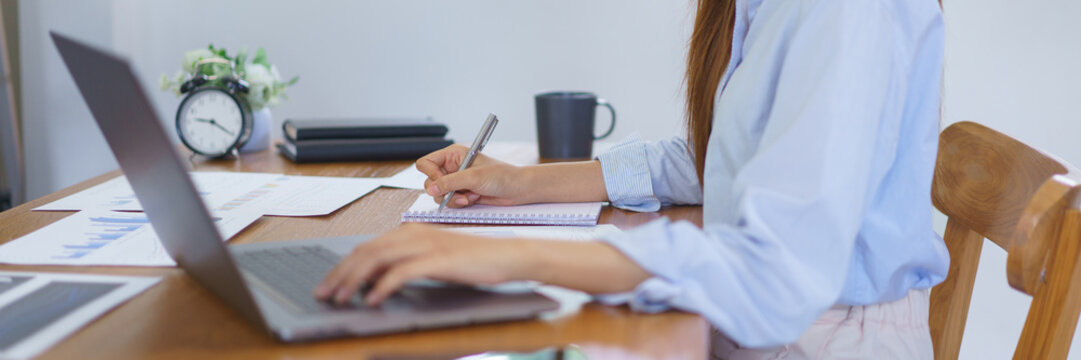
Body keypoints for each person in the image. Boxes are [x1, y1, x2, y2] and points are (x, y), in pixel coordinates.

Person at [315, 0, 949, 357]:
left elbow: (774, 274)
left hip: (819, 337)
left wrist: (506, 256)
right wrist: (518, 183)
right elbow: (713, 160)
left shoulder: (841, 9)